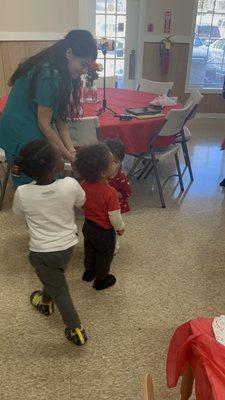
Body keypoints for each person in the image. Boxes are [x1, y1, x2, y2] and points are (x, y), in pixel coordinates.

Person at [12, 140, 87, 346]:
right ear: (55, 168)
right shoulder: (70, 185)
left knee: (59, 287)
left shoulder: (23, 192)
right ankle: (46, 302)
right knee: (54, 276)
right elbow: (82, 201)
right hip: (68, 246)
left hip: (42, 251)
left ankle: (75, 328)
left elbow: (18, 213)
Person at [0, 30, 97, 188]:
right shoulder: (51, 75)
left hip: (35, 124)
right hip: (20, 130)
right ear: (69, 53)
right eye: (83, 64)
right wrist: (67, 156)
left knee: (51, 176)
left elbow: (60, 120)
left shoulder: (66, 73)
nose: (84, 70)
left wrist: (71, 153)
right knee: (32, 184)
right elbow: (44, 123)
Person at [75, 143, 125, 290]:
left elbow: (80, 203)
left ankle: (88, 272)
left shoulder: (83, 185)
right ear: (103, 173)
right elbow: (114, 215)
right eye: (112, 163)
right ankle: (101, 279)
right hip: (104, 231)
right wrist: (120, 228)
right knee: (105, 255)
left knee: (89, 249)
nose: (115, 165)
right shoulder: (110, 193)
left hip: (88, 226)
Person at [106, 140, 131, 253]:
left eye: (115, 162)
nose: (112, 165)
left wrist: (115, 194)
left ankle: (114, 243)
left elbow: (127, 193)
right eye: (109, 161)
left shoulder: (121, 177)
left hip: (116, 207)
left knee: (114, 226)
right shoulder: (101, 174)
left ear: (120, 162)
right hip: (103, 206)